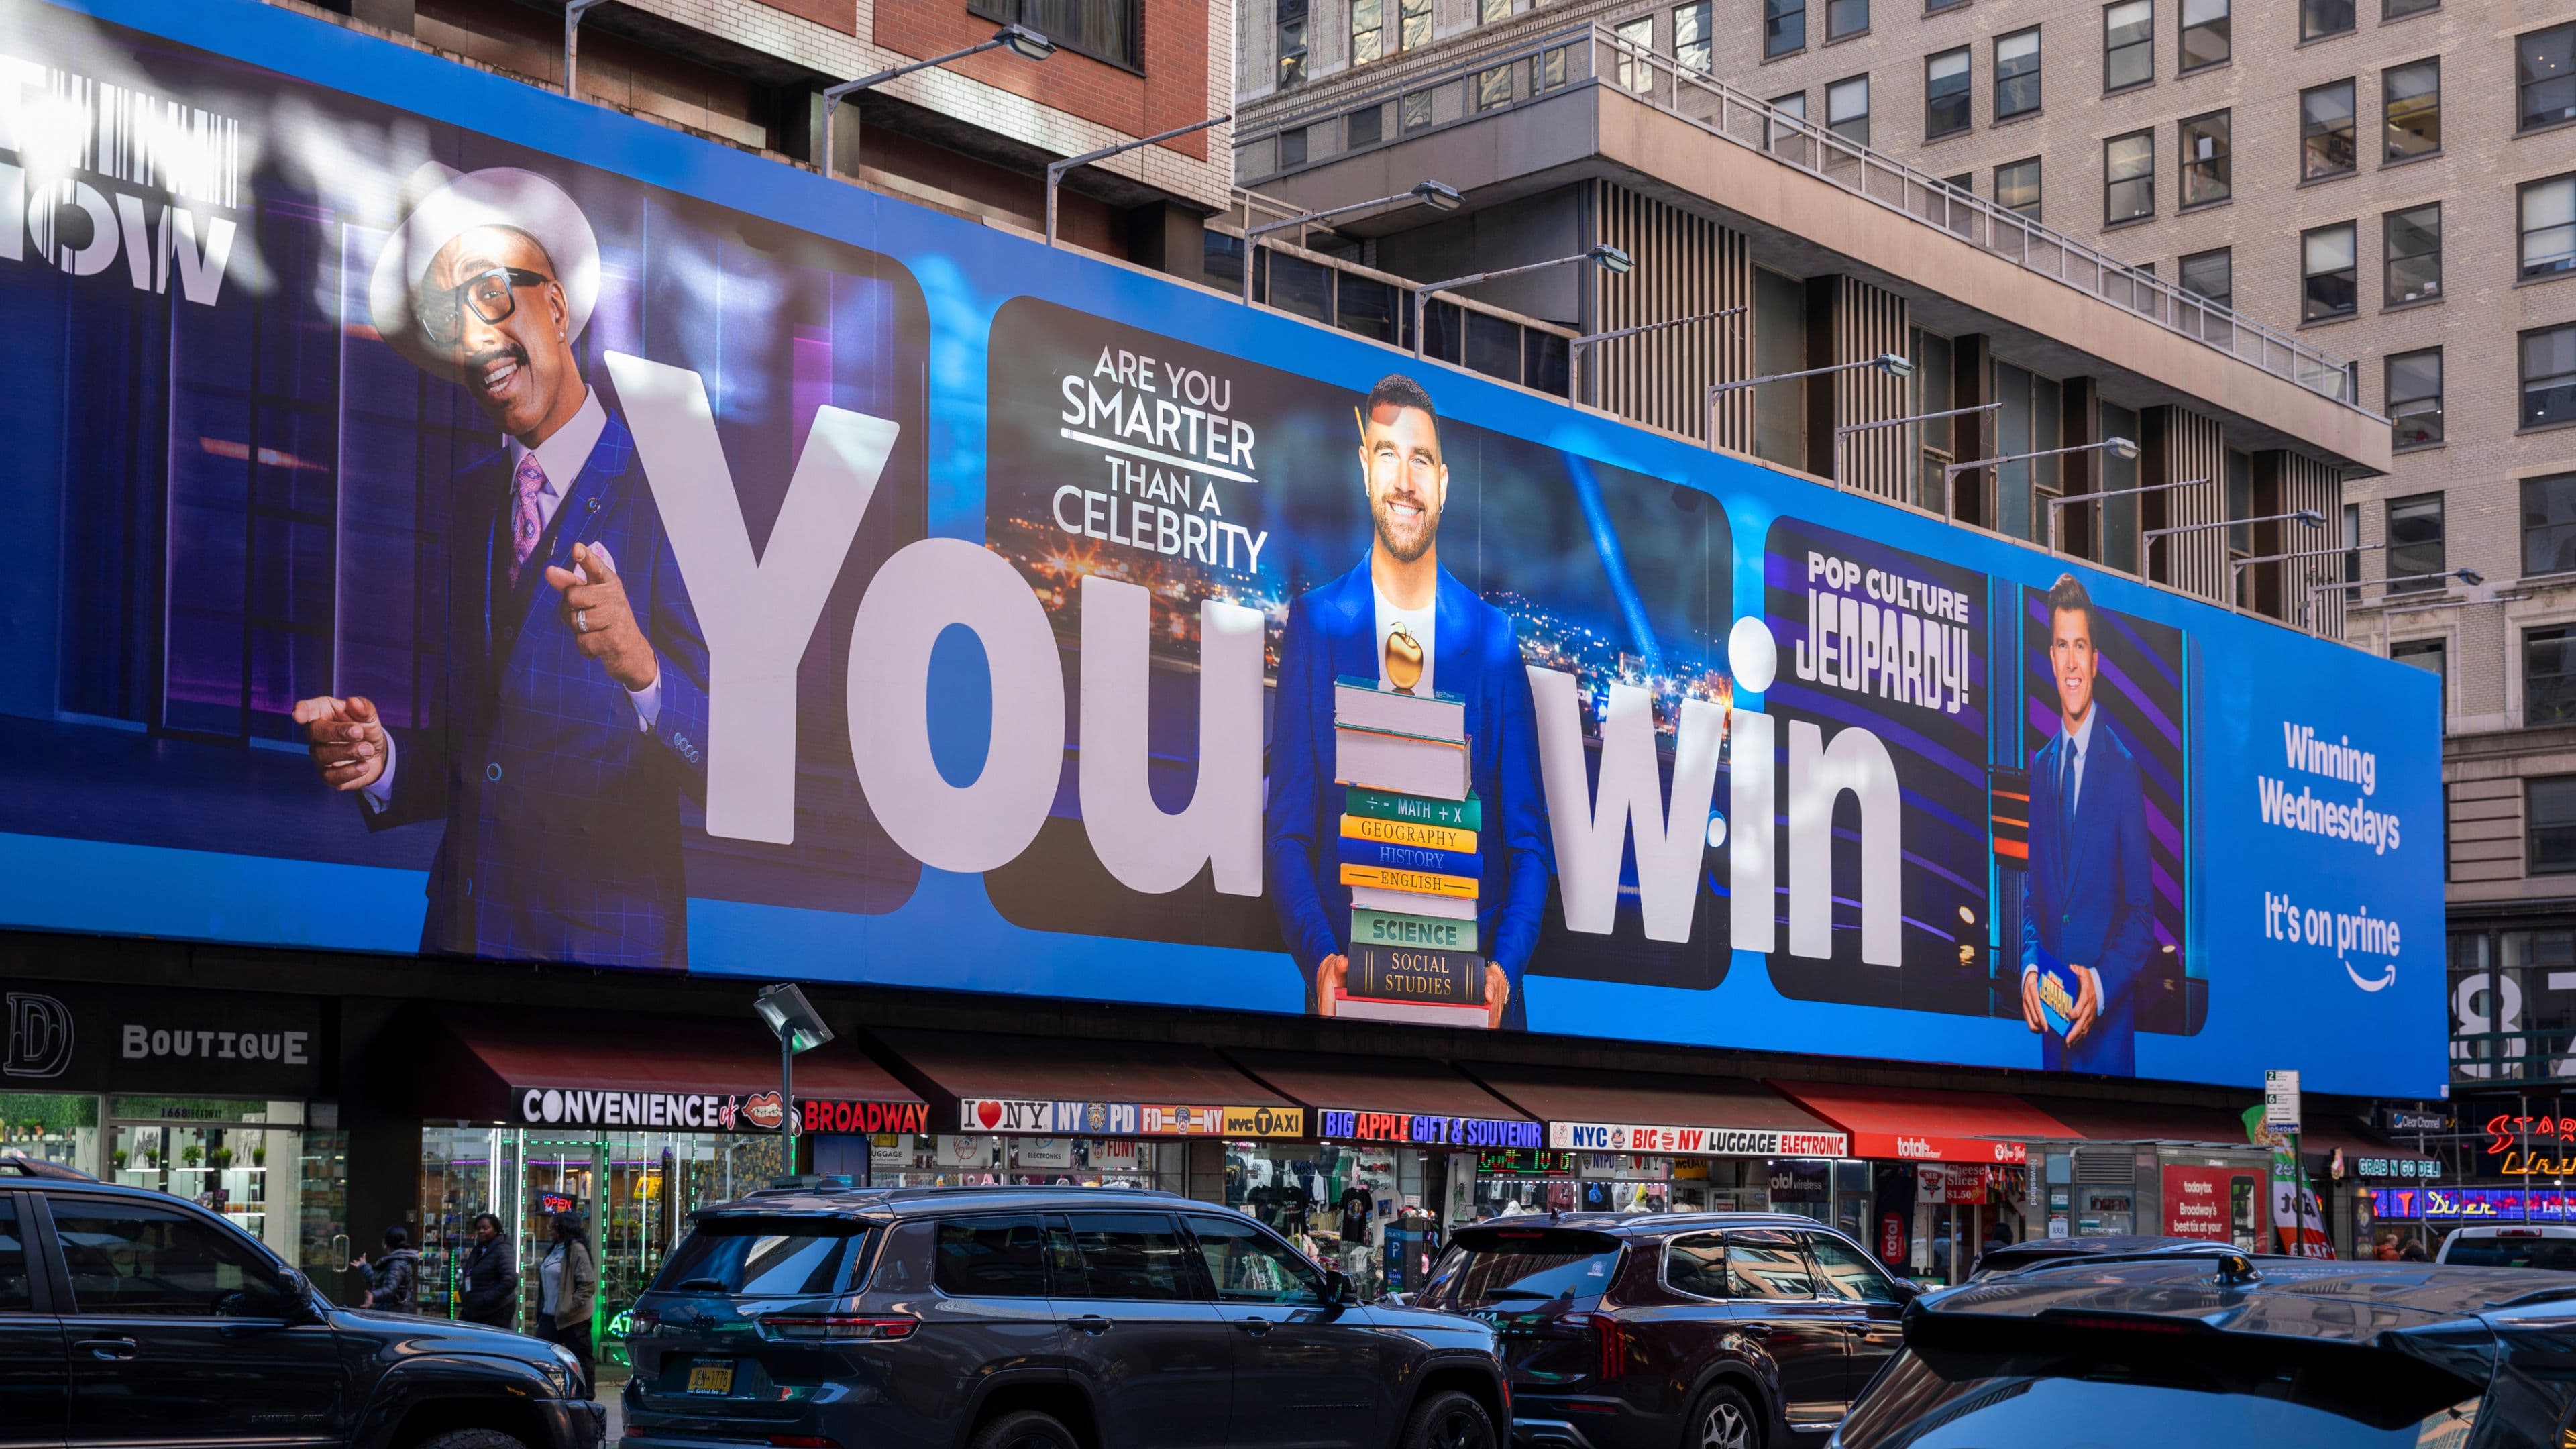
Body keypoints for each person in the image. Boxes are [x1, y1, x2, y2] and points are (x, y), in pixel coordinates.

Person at [294, 165, 710, 969]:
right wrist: (385, 762)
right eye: (450, 319)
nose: (474, 338)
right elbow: (483, 748)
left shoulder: (674, 490)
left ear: (555, 303)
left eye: (487, 296)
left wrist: (644, 671)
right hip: (462, 943)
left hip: (602, 965)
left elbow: (743, 767)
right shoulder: (471, 500)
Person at [1265, 374, 1552, 1030]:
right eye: (1388, 454)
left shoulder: (1493, 640)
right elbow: (1285, 834)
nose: (1404, 479)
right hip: (1350, 1004)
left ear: (1443, 484)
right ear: (1366, 470)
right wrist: (1320, 961)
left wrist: (1503, 969)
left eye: (1420, 458)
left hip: (1477, 1013)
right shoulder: (1316, 622)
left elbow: (1530, 843)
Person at [2017, 572, 2156, 1075]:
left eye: (2081, 646)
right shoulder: (2041, 768)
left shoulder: (2122, 769)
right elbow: (2034, 904)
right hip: (2052, 1054)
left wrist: (2097, 985)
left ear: (2095, 663)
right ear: (2051, 658)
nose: (2071, 661)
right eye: (2061, 646)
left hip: (2107, 1054)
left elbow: (2143, 917)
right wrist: (2030, 968)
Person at [535, 1211, 599, 1396]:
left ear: (563, 1228)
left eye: (552, 1226)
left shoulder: (576, 1249)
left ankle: (586, 1395)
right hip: (550, 1315)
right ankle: (548, 1391)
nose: (549, 1230)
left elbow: (588, 1285)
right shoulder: (555, 1248)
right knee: (543, 1354)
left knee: (580, 1357)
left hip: (573, 1318)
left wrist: (569, 1306)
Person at [458, 1212, 519, 1328]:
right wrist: (464, 1294)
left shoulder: (503, 1249)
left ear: (495, 1229)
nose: (481, 1231)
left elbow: (510, 1279)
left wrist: (486, 1299)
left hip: (494, 1311)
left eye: (485, 1228)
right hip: (474, 1309)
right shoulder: (479, 1249)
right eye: (478, 1228)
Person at [350, 1226, 420, 1312]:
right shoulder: (395, 1261)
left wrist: (373, 1295)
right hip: (390, 1312)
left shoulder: (397, 1264)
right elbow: (379, 1280)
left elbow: (390, 1288)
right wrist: (363, 1266)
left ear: (386, 1244)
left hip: (392, 1315)